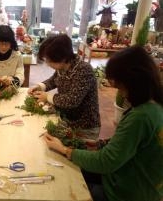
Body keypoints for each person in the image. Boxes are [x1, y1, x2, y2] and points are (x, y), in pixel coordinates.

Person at [43, 46, 163, 201]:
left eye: (119, 87)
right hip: (131, 180)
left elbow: (106, 161)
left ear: (133, 82)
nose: (120, 93)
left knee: (65, 183)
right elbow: (122, 145)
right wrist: (91, 144)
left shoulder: (141, 117)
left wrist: (66, 150)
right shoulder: (154, 106)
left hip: (124, 192)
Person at [28, 34, 100, 139]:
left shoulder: (84, 70)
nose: (47, 63)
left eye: (49, 60)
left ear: (62, 57)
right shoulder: (64, 66)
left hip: (84, 128)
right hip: (68, 121)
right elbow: (53, 80)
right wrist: (40, 86)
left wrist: (47, 96)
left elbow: (72, 100)